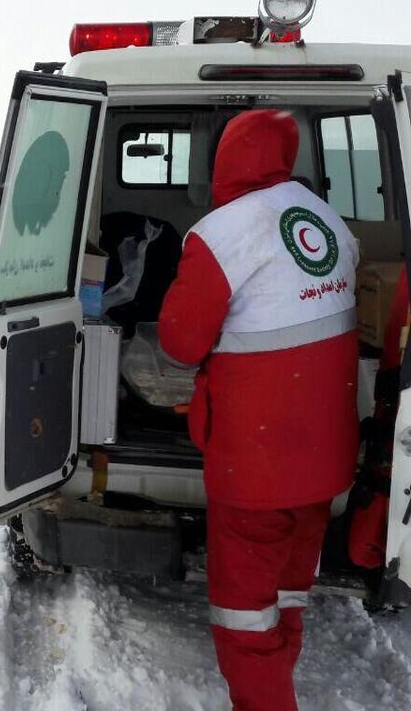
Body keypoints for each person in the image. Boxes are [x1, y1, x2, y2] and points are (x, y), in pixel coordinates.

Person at [158, 109, 360, 711]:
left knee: (244, 615)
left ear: (224, 162)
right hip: (323, 459)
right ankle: (278, 679)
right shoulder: (328, 221)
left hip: (258, 467)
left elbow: (179, 340)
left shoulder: (222, 234)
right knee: (287, 590)